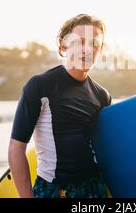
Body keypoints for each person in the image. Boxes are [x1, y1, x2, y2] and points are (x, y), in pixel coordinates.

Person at [8, 14, 112, 198]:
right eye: (80, 41)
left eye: (94, 43)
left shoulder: (102, 96)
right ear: (63, 44)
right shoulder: (40, 86)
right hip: (55, 190)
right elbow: (16, 148)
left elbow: (104, 148)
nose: (87, 49)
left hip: (94, 189)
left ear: (101, 49)